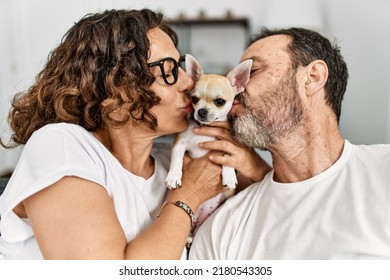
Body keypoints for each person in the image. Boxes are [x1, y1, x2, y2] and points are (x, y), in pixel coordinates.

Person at [0, 9, 269, 260]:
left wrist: (249, 161)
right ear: (112, 88)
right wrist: (188, 195)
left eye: (181, 65)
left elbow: (276, 208)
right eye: (169, 70)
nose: (190, 83)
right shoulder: (60, 147)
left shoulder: (171, 160)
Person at [189, 27, 390, 259]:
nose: (236, 90)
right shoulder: (221, 229)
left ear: (312, 78)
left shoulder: (383, 171)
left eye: (251, 71)